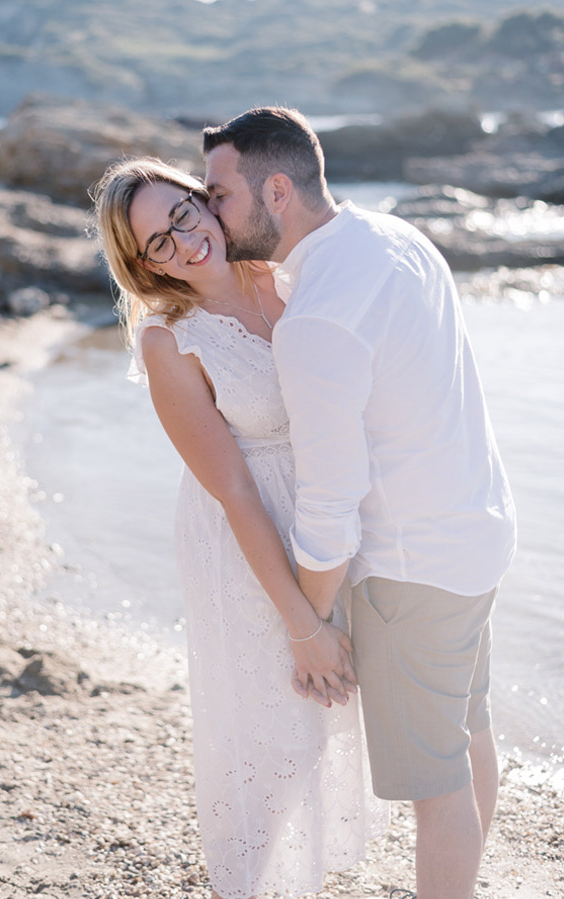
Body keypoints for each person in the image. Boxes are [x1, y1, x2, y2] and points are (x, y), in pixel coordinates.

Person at [202, 107, 517, 899]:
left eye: (219, 194)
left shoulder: (316, 320)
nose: (209, 213)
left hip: (411, 567)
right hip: (478, 532)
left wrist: (310, 624)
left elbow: (330, 505)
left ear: (277, 190)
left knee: (434, 787)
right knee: (465, 729)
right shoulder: (394, 237)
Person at [93, 157, 387, 899]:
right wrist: (300, 621)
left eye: (184, 214)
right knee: (273, 732)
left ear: (204, 200)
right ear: (142, 264)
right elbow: (231, 489)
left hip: (324, 512)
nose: (185, 242)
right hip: (245, 536)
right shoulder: (169, 341)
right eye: (158, 242)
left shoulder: (283, 274)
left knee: (325, 716)